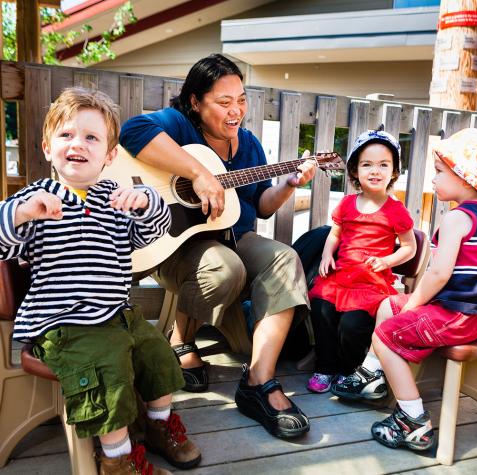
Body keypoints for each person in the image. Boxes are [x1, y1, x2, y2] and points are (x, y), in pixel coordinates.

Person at [0, 87, 202, 474]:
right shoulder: (38, 198)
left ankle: (160, 427)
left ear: (109, 155)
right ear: (47, 147)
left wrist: (145, 202)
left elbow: (153, 231)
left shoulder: (116, 197)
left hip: (114, 316)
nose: (78, 144)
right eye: (66, 135)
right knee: (107, 369)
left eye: (91, 137)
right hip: (61, 326)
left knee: (157, 352)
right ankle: (117, 460)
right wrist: (23, 213)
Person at [120, 54, 316, 439]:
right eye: (223, 102)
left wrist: (288, 184)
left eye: (241, 100)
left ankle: (259, 380)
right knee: (225, 268)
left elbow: (261, 204)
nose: (236, 111)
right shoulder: (178, 124)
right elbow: (133, 130)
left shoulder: (249, 145)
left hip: (235, 237)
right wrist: (198, 173)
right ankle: (181, 339)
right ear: (195, 101)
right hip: (173, 243)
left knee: (285, 258)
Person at [365, 128, 477, 452]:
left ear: (465, 176)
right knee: (389, 305)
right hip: (474, 317)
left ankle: (413, 421)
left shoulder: (460, 218)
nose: (433, 180)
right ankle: (372, 375)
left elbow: (439, 273)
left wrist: (414, 303)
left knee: (384, 335)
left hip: (451, 315)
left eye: (440, 172)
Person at [306, 130, 416, 395]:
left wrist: (388, 259)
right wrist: (326, 254)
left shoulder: (395, 210)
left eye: (383, 164)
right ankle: (325, 366)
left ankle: (350, 370)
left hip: (369, 284)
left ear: (394, 172)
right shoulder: (346, 204)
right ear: (354, 171)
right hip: (340, 277)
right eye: (367, 164)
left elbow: (410, 247)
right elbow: (335, 233)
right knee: (321, 310)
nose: (375, 171)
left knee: (353, 325)